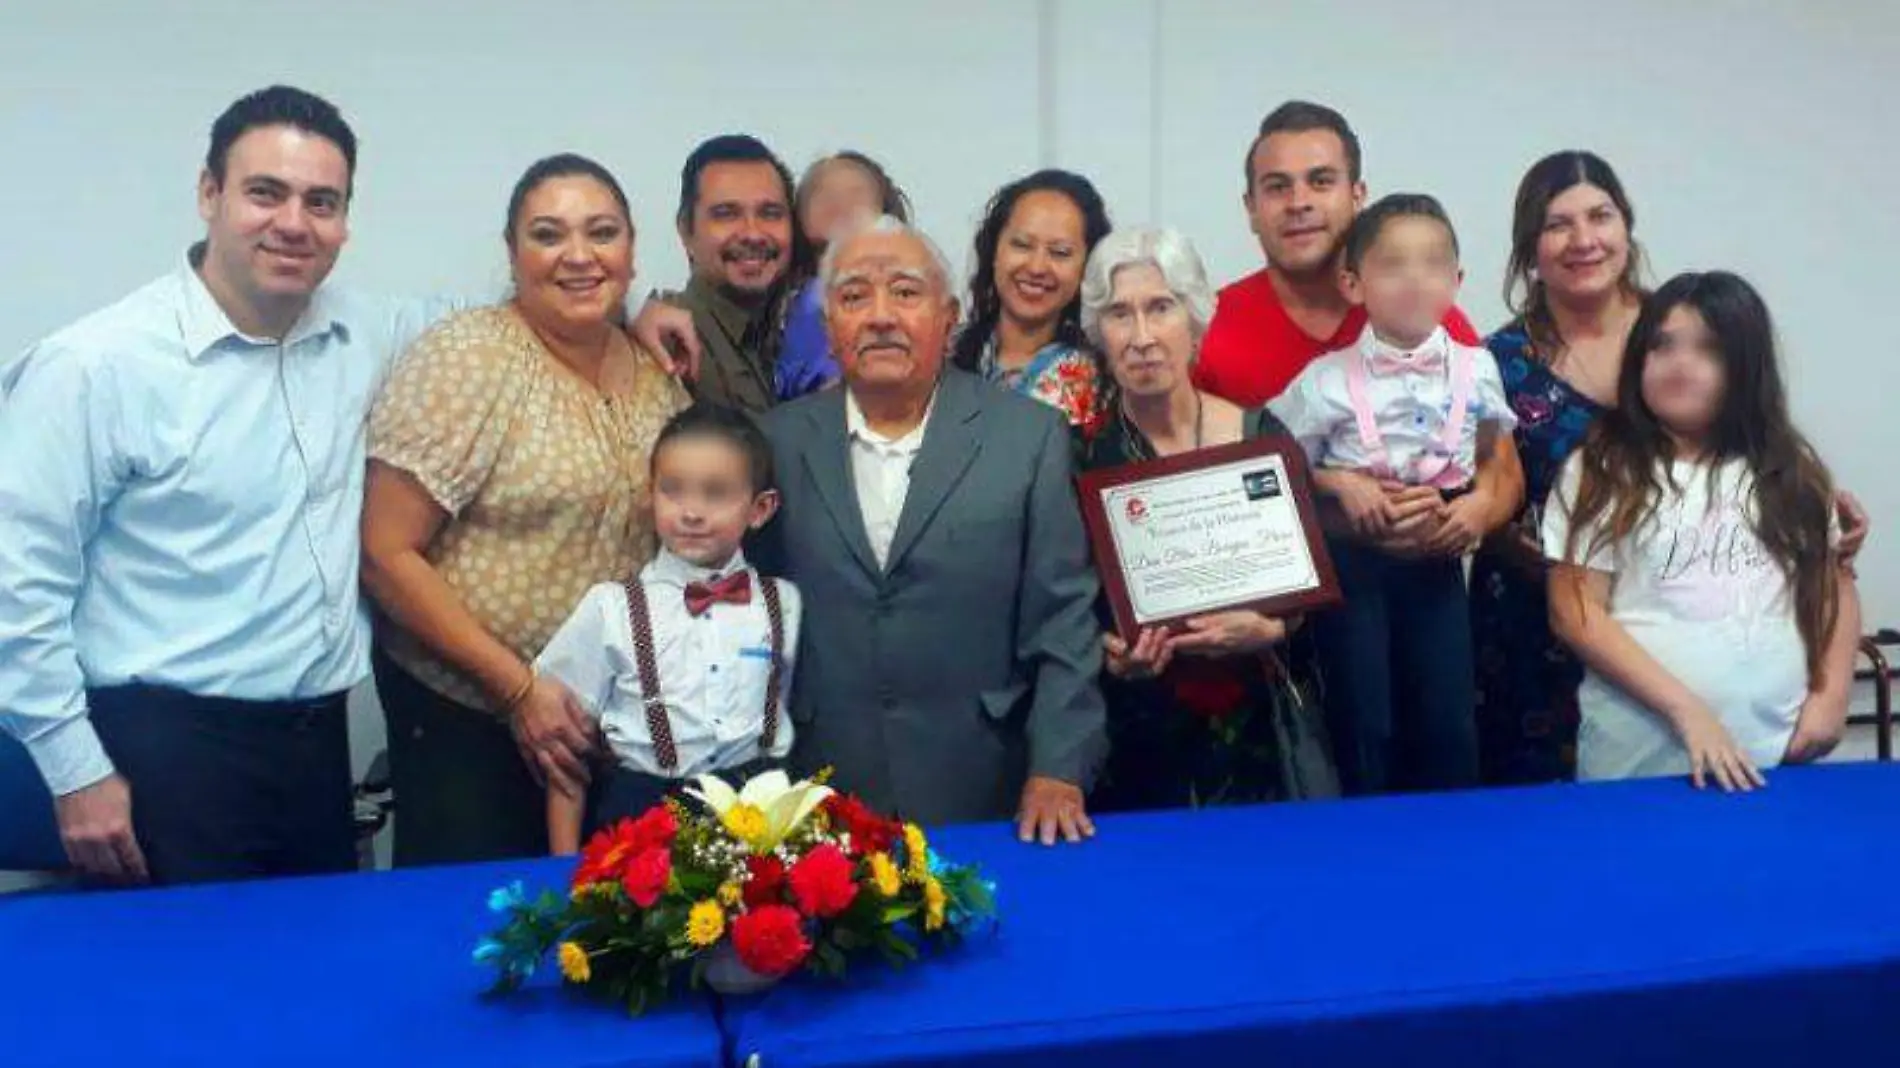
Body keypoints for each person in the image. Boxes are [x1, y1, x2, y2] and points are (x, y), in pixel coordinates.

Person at [0, 85, 458, 885]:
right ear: (209, 193)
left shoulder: (366, 334)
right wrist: (74, 771)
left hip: (316, 753)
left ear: (346, 221)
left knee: (308, 986)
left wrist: (644, 309)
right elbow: (16, 583)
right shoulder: (95, 366)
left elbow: (509, 317)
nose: (293, 222)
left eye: (322, 201)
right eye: (265, 192)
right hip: (160, 754)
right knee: (183, 997)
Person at [1471, 152, 1874, 785]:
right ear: (1529, 246)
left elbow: (1829, 582)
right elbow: (1478, 488)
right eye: (1557, 224)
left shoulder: (1683, 315)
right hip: (1554, 637)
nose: (1583, 239)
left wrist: (1827, 703)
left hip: (1764, 738)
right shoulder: (1497, 367)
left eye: (1599, 216)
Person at [361, 153, 689, 866]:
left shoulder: (657, 376)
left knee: (603, 941)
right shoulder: (469, 358)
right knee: (482, 938)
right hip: (467, 720)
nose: (579, 255)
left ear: (631, 252)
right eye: (548, 235)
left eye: (602, 232)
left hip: (607, 730)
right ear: (513, 255)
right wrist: (518, 691)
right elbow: (383, 552)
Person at [755, 214, 1107, 843]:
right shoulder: (772, 444)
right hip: (816, 788)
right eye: (855, 295)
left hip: (987, 781)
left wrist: (1059, 765)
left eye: (907, 292)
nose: (882, 315)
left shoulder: (1027, 437)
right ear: (830, 328)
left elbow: (1064, 619)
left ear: (949, 319)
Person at [1544, 271, 1862, 789]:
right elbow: (1575, 612)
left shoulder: (1789, 470)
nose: (1679, 364)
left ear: (1746, 367)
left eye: (1707, 348)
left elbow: (1834, 588)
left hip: (1771, 762)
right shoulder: (1603, 468)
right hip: (1639, 767)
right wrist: (1687, 710)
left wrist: (1831, 697)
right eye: (1662, 345)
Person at [1076, 227, 1339, 809]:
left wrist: (1274, 629)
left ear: (1194, 320)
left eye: (1160, 308)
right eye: (1120, 314)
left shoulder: (1260, 436)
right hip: (1136, 741)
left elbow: (1312, 592)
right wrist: (1108, 653)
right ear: (1100, 332)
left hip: (1259, 735)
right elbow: (1058, 604)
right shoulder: (1079, 458)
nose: (1142, 336)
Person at [1271, 194, 1520, 794]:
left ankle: (1449, 855)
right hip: (1356, 570)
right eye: (1393, 265)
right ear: (1353, 283)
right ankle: (1362, 853)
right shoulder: (1323, 381)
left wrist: (1477, 508)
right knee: (1365, 721)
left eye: (1433, 263)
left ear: (1457, 280)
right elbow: (1273, 465)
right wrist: (1337, 482)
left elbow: (1492, 455)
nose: (1415, 279)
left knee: (1447, 719)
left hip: (1439, 566)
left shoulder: (1478, 368)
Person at [536, 404, 798, 853]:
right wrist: (564, 868)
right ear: (649, 494)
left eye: (715, 493)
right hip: (644, 814)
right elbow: (564, 751)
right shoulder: (611, 607)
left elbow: (779, 701)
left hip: (758, 814)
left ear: (760, 509)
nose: (691, 512)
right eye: (673, 490)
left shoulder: (784, 604)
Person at [1194, 101, 1481, 409]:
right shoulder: (1202, 331)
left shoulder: (1428, 318)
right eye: (1278, 187)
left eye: (1321, 182)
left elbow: (1492, 453)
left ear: (1357, 196)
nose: (1298, 202)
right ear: (1251, 209)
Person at [948, 169, 1113, 434]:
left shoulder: (1102, 381)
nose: (1037, 267)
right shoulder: (943, 353)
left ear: (1087, 267)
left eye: (1059, 253)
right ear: (994, 251)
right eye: (1022, 245)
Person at [658, 134, 806, 416]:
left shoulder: (802, 331)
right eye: (726, 214)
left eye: (770, 213)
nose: (752, 233)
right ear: (686, 231)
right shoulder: (667, 347)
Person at [777, 151, 913, 401]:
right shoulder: (782, 302)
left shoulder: (898, 293)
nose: (840, 203)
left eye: (856, 194)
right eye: (824, 194)